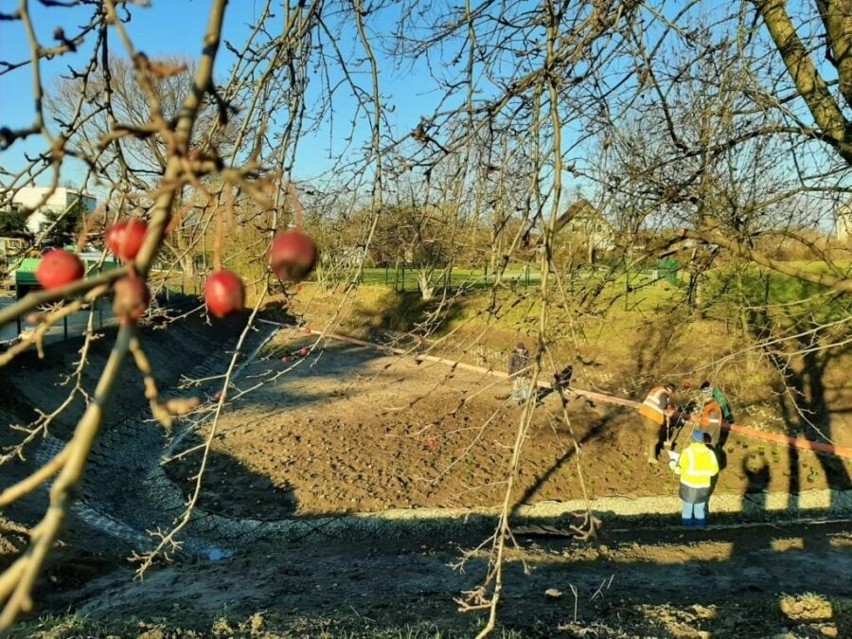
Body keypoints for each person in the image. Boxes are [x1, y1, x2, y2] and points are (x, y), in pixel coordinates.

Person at [672, 428, 719, 528]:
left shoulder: (687, 452)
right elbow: (714, 471)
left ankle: (687, 530)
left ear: (692, 440)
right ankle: (699, 531)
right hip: (703, 487)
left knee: (687, 509)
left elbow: (679, 470)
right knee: (699, 510)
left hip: (688, 486)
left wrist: (673, 463)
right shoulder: (711, 453)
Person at [638, 383, 676, 464]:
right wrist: (667, 409)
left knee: (649, 433)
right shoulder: (664, 394)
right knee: (653, 437)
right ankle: (651, 457)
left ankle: (646, 450)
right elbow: (661, 406)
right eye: (671, 393)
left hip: (645, 412)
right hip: (653, 416)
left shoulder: (656, 389)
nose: (670, 394)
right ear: (670, 390)